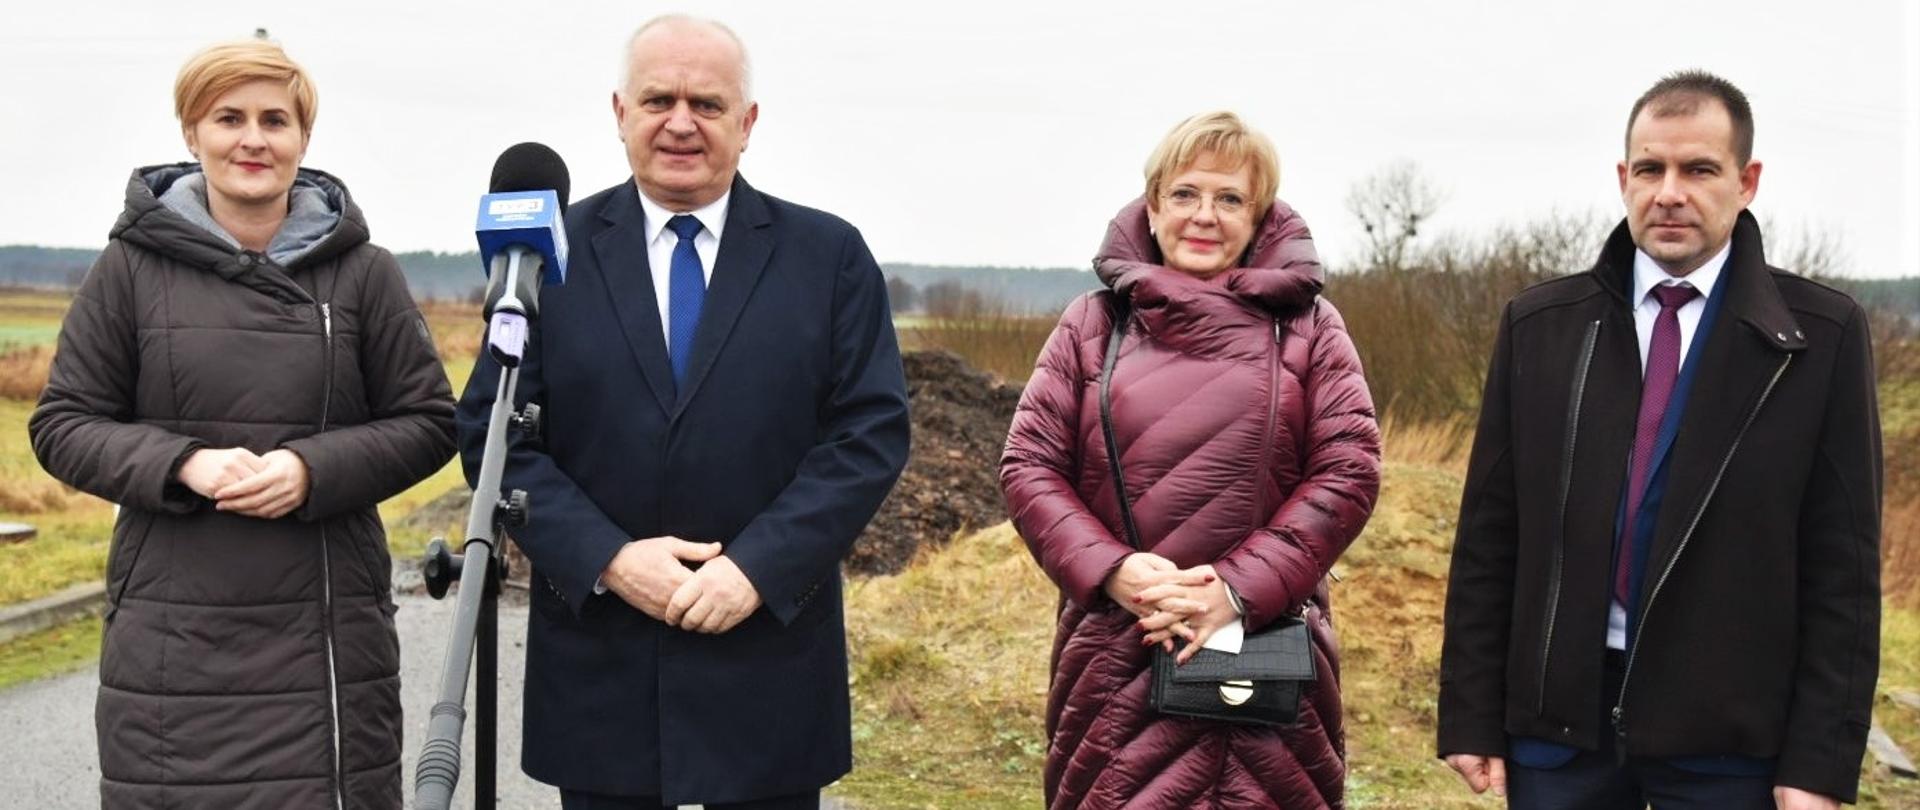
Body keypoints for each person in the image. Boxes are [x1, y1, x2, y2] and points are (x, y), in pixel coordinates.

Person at [453, 14, 909, 810]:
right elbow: (493, 434)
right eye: (659, 98)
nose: (681, 123)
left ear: (748, 122)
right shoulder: (546, 256)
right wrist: (608, 560)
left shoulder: (828, 257)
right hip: (603, 665)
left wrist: (754, 569)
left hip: (767, 656)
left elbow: (868, 435)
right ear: (620, 111)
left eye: (707, 102)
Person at [28, 39, 456, 808]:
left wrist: (311, 471)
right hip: (172, 650)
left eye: (275, 120)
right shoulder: (128, 269)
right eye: (228, 117)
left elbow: (428, 421)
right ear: (192, 134)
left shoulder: (365, 272)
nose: (253, 139)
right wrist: (181, 463)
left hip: (328, 645)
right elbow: (63, 423)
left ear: (304, 140)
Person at [1437, 70, 1881, 810]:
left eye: (1699, 169)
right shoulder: (1541, 326)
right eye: (1650, 168)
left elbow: (1845, 569)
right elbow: (1491, 536)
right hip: (1561, 730)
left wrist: (1818, 764)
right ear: (1624, 177)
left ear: (1747, 181)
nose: (1669, 192)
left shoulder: (1818, 338)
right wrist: (1470, 714)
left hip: (1730, 738)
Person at [1000, 111, 1381, 809]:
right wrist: (1112, 570)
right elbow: (1029, 465)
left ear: (1260, 217)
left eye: (1230, 198)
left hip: (1266, 655)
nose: (1204, 215)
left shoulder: (1310, 329)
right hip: (1118, 660)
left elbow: (1349, 469)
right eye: (1185, 194)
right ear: (1152, 206)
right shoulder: (1092, 324)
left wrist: (1233, 590)